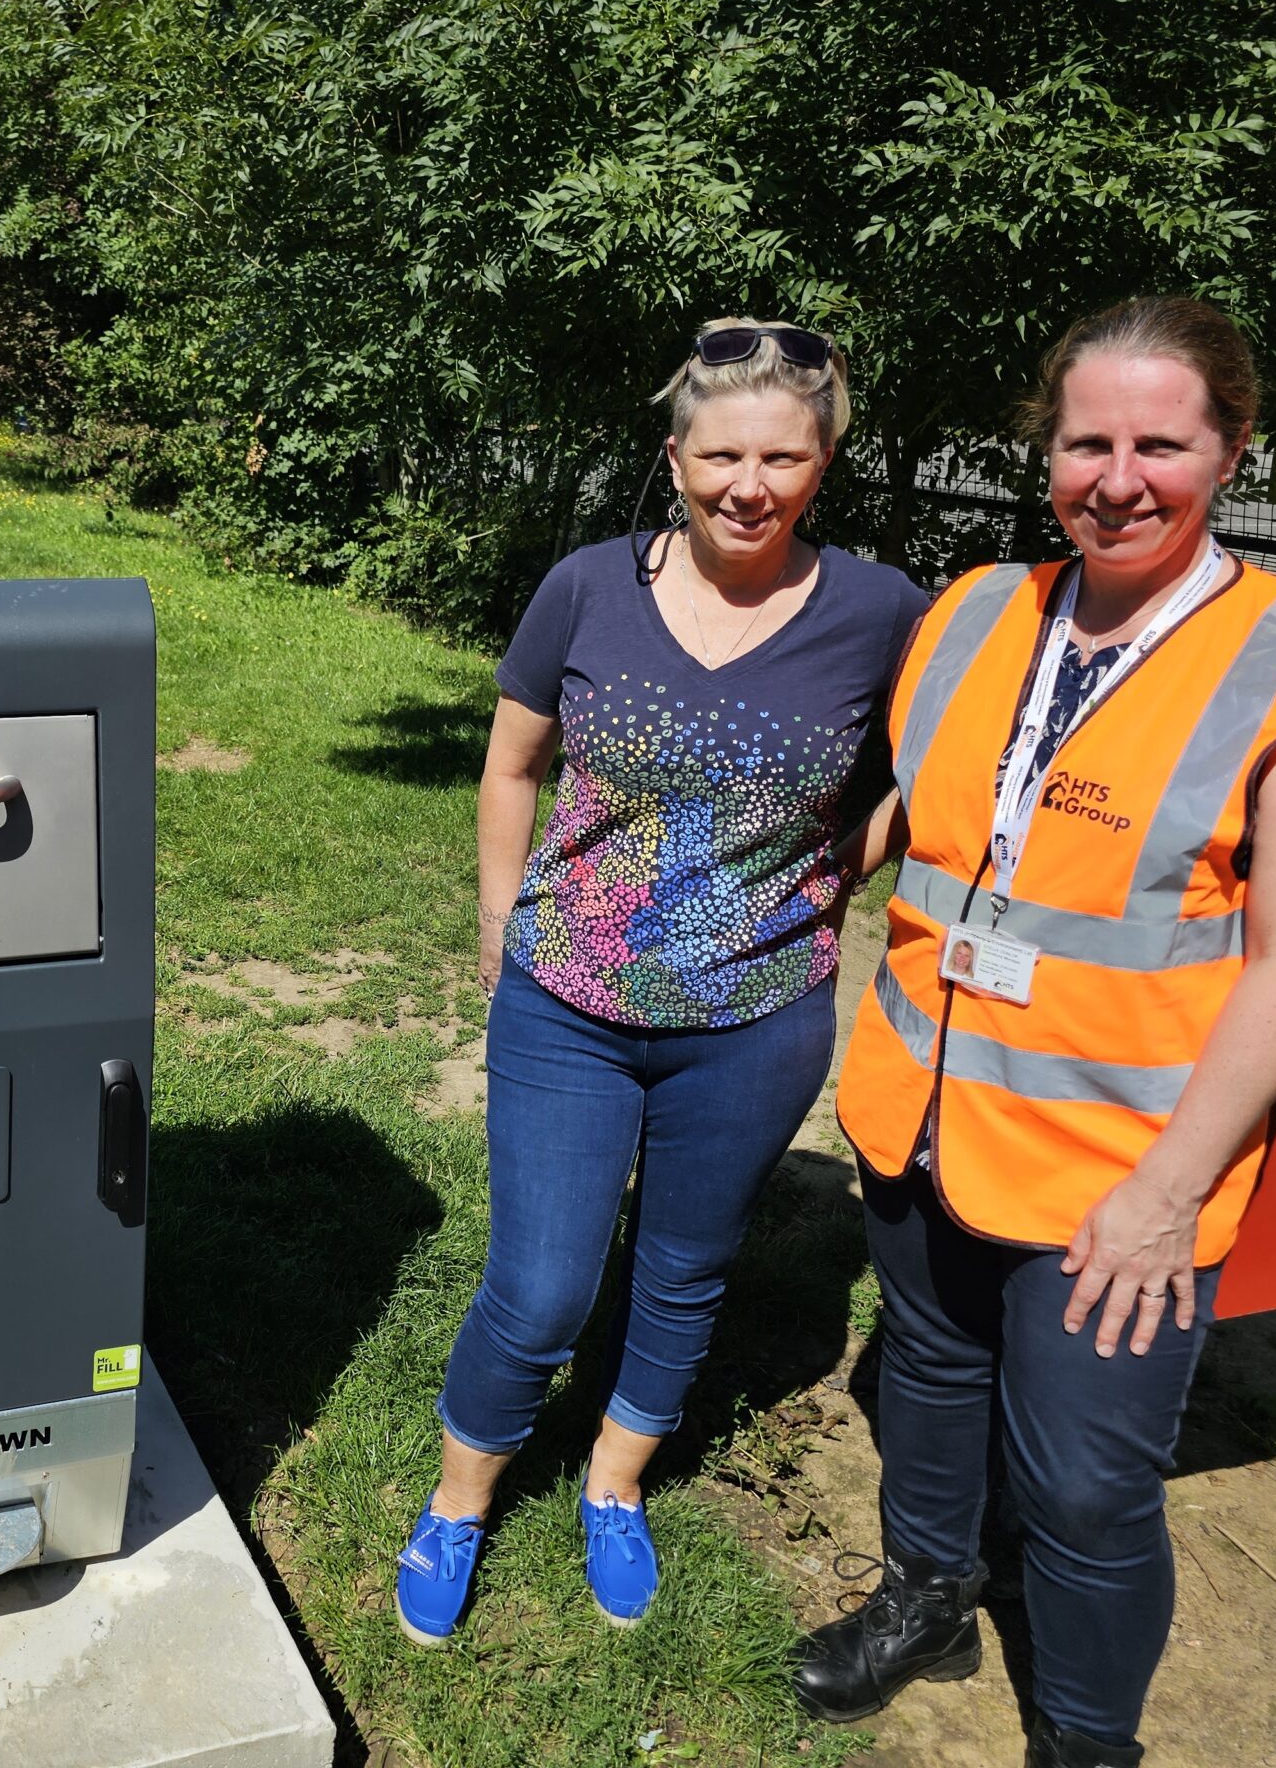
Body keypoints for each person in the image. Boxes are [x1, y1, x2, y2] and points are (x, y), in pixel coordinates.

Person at [795, 297, 1276, 1767]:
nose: (1117, 477)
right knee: (930, 1382)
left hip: (1120, 1172)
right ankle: (931, 1603)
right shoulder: (975, 609)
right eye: (1087, 442)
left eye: (1160, 443)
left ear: (1230, 450)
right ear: (1048, 449)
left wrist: (1164, 1198)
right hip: (924, 1113)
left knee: (1081, 1490)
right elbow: (935, 824)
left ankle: (1087, 1744)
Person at [393, 321, 927, 1643]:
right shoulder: (586, 587)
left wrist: (837, 872)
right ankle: (460, 1505)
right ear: (676, 453)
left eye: (783, 458)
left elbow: (927, 774)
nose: (750, 484)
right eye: (723, 453)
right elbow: (511, 765)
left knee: (685, 1272)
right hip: (567, 1001)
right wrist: (497, 919)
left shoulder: (880, 614)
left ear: (824, 462)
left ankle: (614, 1489)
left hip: (757, 1023)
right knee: (544, 1286)